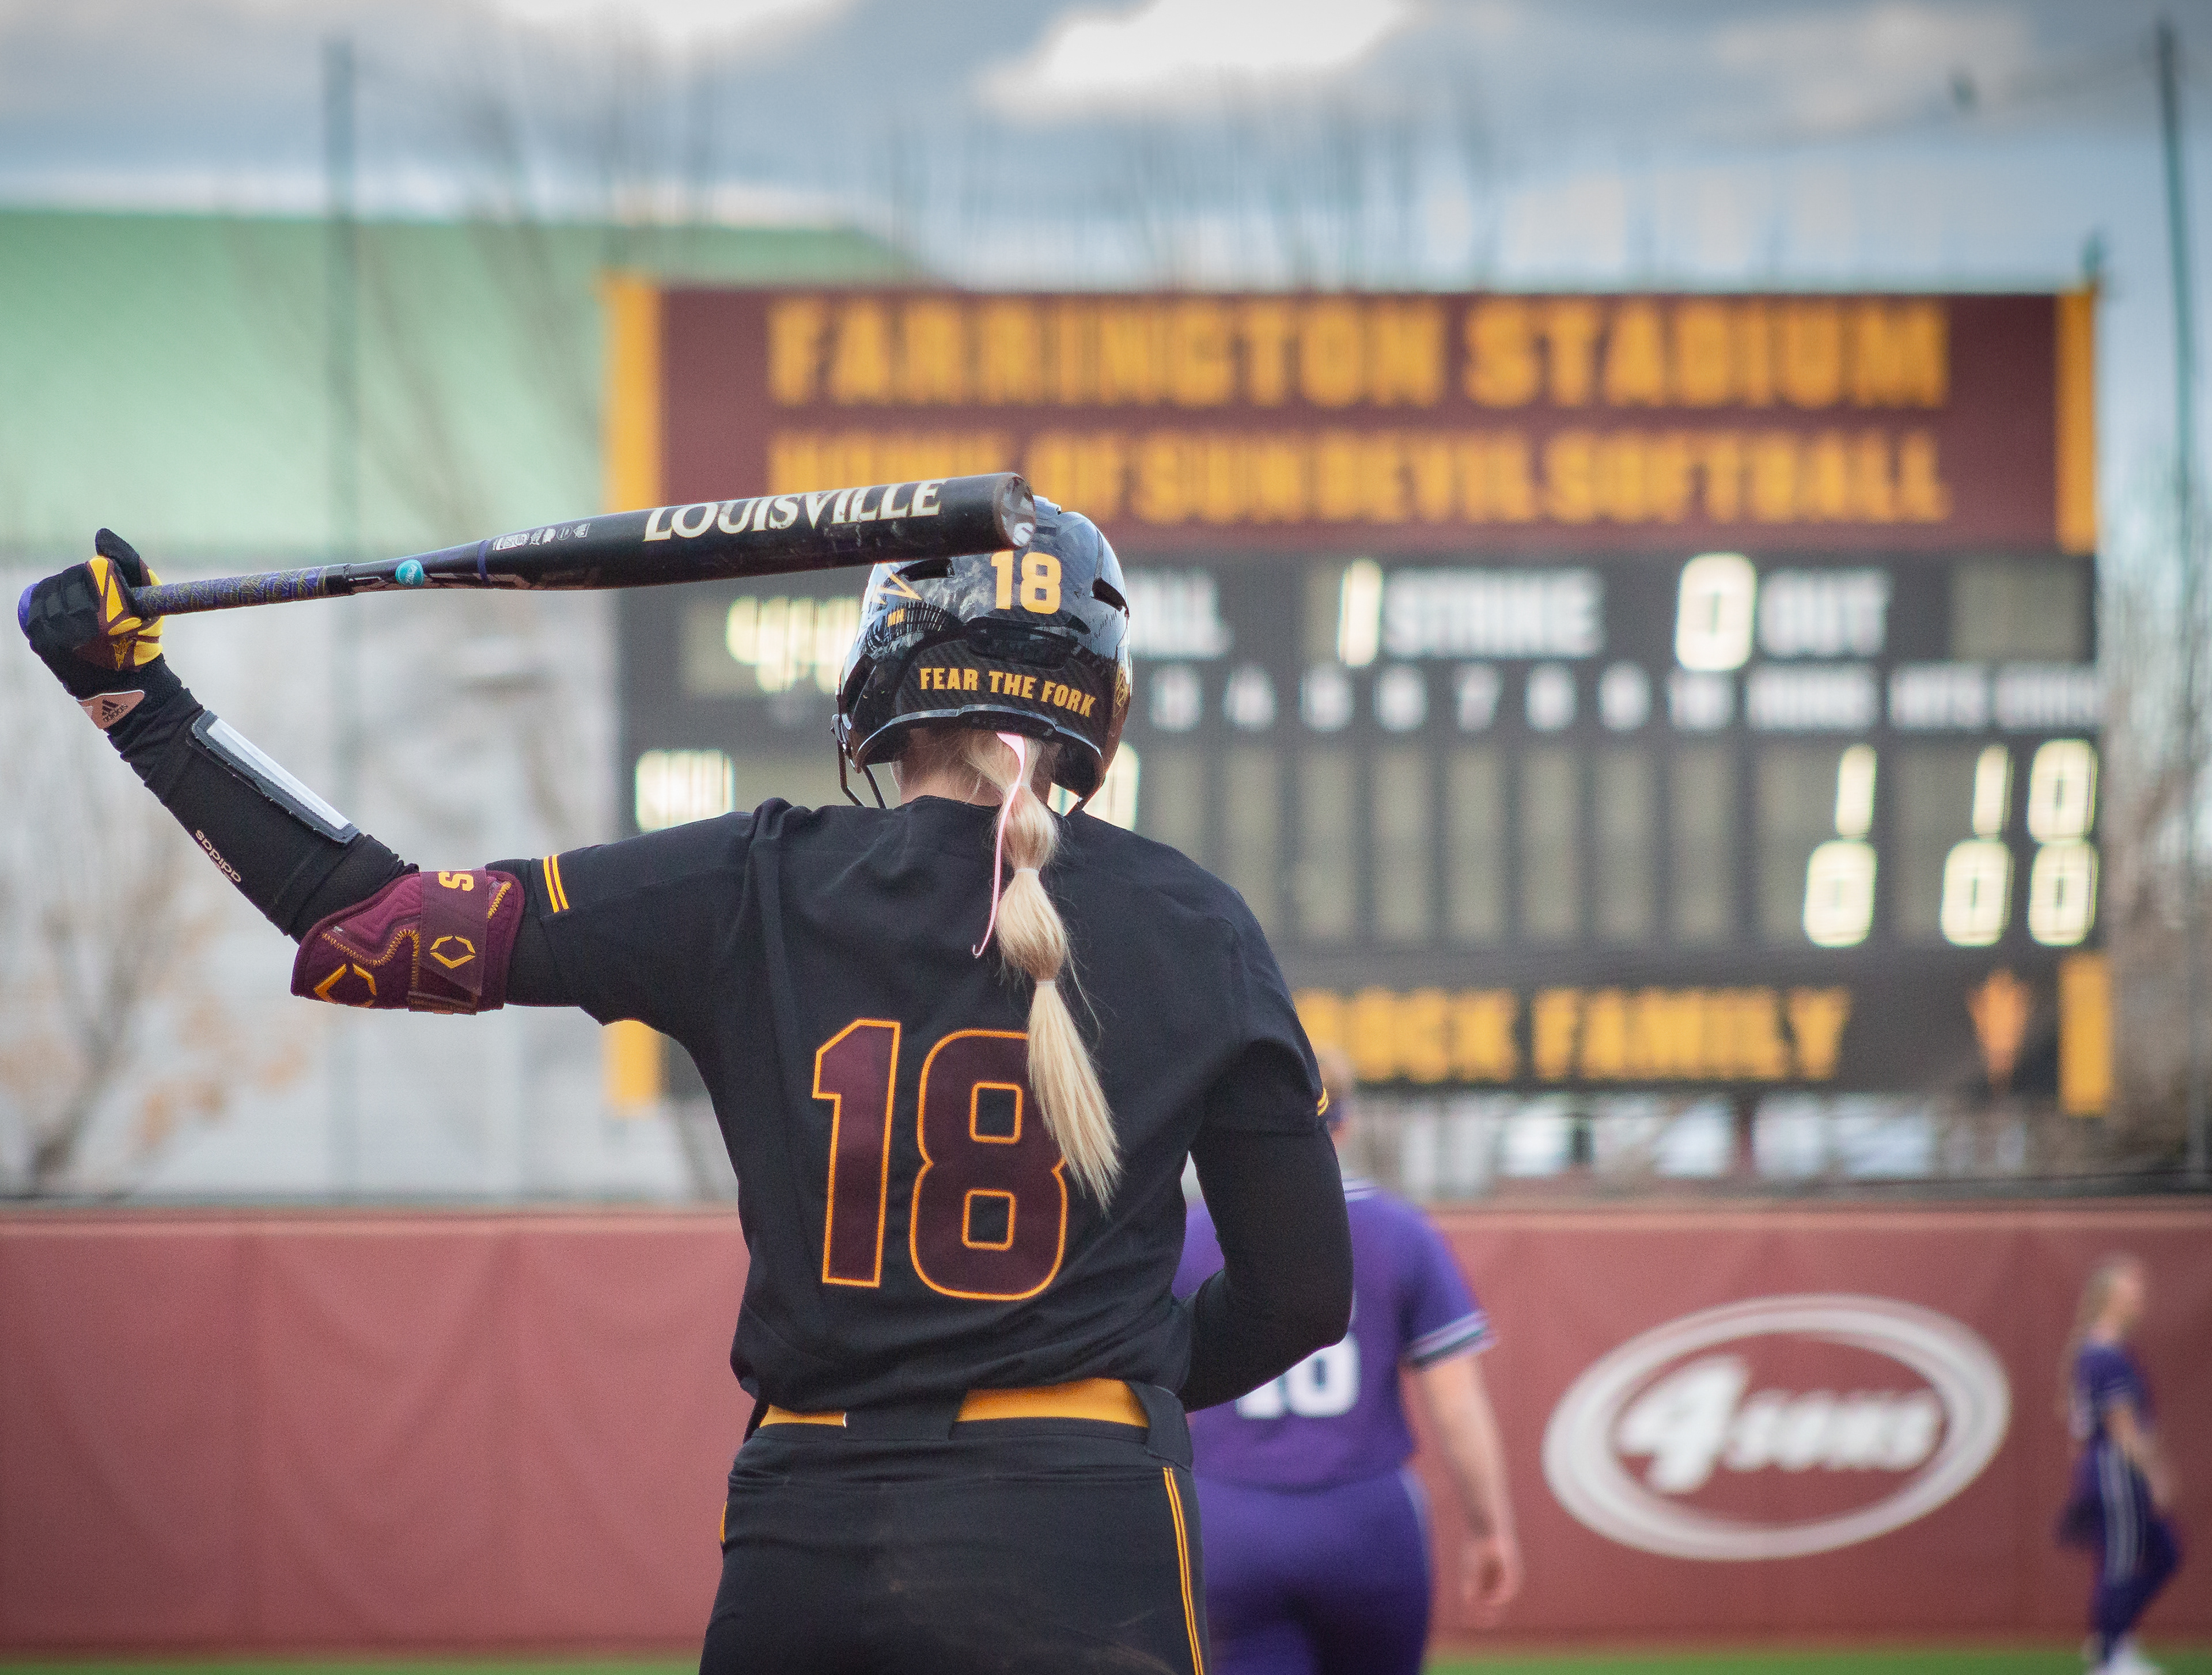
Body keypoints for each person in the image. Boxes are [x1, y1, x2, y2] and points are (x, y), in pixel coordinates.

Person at [18, 510, 1354, 1673]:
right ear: (1097, 711)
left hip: (807, 1531)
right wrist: (1127, 1371)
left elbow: (369, 926)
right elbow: (1300, 1291)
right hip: (1083, 1526)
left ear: (873, 689)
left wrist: (137, 701)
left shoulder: (746, 884)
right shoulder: (1200, 925)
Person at [1173, 1049, 1521, 1675]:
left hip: (1229, 1517)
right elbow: (1458, 1406)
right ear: (1347, 1120)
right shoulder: (1400, 1231)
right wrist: (1490, 1527)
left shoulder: (1195, 1233)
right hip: (1365, 1520)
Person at [2056, 1254, 2181, 1675]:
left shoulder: (2102, 1350)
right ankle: (2109, 1658)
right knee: (2120, 1563)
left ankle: (2114, 1638)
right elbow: (2123, 1427)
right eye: (2134, 1291)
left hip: (2106, 1470)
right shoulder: (2103, 1353)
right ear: (2111, 1298)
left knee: (2164, 1553)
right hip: (2115, 1471)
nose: (2142, 1299)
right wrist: (2156, 1475)